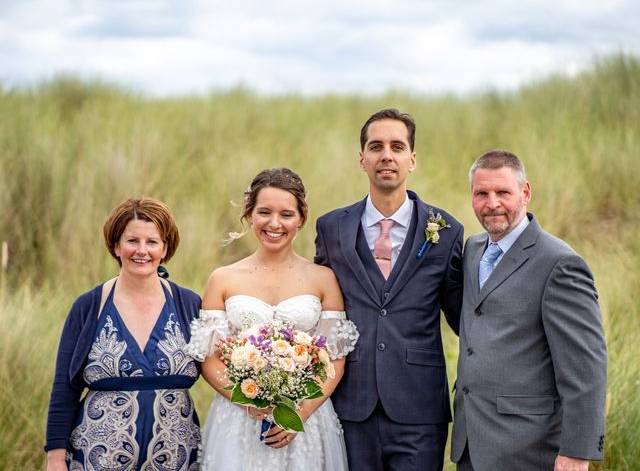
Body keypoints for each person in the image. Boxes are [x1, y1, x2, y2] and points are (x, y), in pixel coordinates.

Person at [314, 109, 464, 470]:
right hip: (351, 403)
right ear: (361, 159)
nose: (386, 155)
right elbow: (318, 306)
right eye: (376, 146)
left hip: (420, 408)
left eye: (397, 147)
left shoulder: (445, 230)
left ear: (411, 159)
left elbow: (463, 317)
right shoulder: (332, 227)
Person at [187, 167, 359, 471]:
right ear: (249, 214)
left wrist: (299, 415)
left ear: (302, 218)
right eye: (264, 212)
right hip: (238, 419)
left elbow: (335, 359)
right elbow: (210, 359)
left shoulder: (324, 279)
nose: (274, 224)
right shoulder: (222, 279)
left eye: (286, 214)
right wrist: (249, 403)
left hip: (306, 417)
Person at [450, 150, 607, 471]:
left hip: (529, 448)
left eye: (503, 192)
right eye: (481, 193)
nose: (491, 203)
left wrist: (577, 452)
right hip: (471, 443)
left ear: (525, 193)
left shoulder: (560, 263)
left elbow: (585, 365)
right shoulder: (473, 249)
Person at [45, 197, 202, 471]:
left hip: (178, 458)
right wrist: (55, 459)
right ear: (116, 245)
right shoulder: (89, 306)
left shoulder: (189, 304)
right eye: (132, 241)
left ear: (165, 248)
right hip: (96, 459)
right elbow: (64, 389)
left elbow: (220, 372)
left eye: (152, 242)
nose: (142, 251)